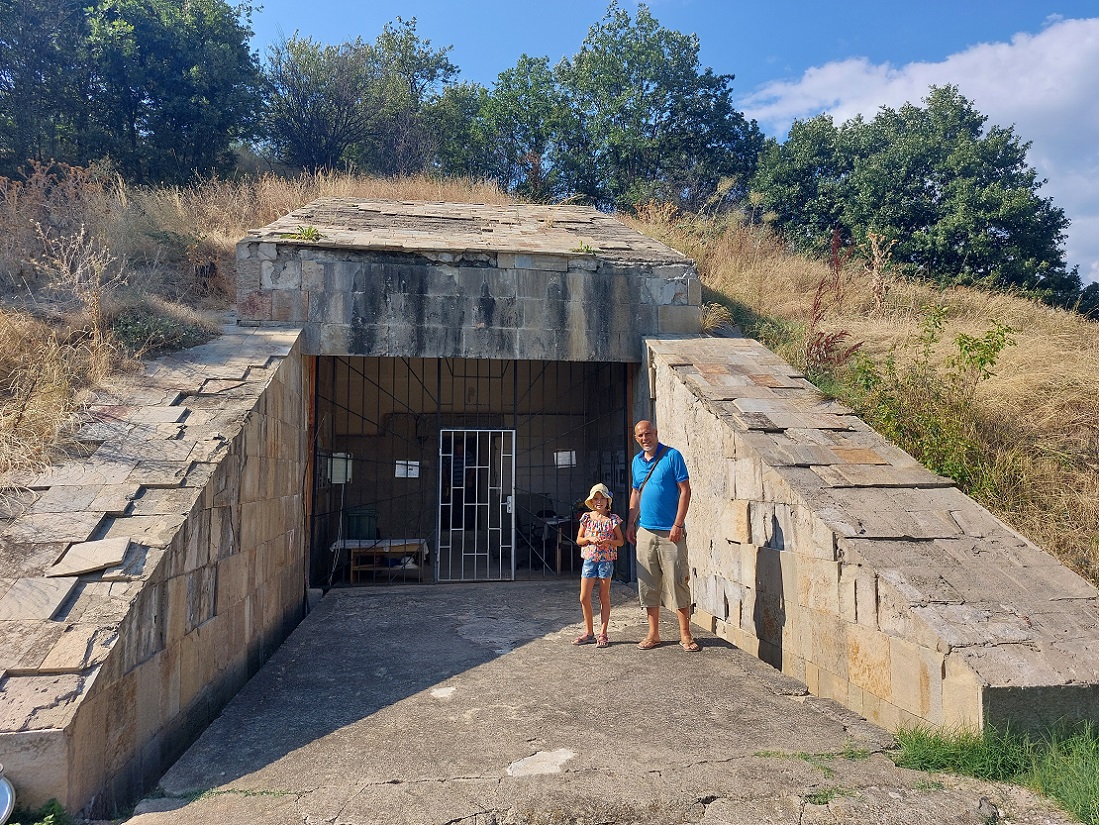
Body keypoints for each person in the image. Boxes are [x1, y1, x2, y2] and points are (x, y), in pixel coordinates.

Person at [625, 420, 700, 652]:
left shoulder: (672, 456)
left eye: (648, 433)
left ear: (655, 433)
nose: (644, 438)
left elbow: (685, 490)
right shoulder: (636, 462)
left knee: (678, 580)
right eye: (640, 436)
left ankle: (685, 635)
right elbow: (636, 492)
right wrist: (630, 522)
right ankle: (653, 633)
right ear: (636, 438)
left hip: (671, 532)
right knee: (648, 583)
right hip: (645, 531)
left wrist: (678, 524)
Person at [572, 482, 624, 649]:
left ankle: (603, 632)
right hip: (589, 560)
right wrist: (589, 539)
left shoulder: (613, 520)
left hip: (606, 561)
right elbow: (579, 540)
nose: (599, 501)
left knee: (604, 596)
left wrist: (609, 541)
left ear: (607, 501)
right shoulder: (586, 518)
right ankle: (589, 632)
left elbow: (621, 542)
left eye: (602, 498)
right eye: (596, 499)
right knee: (584, 597)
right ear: (591, 502)